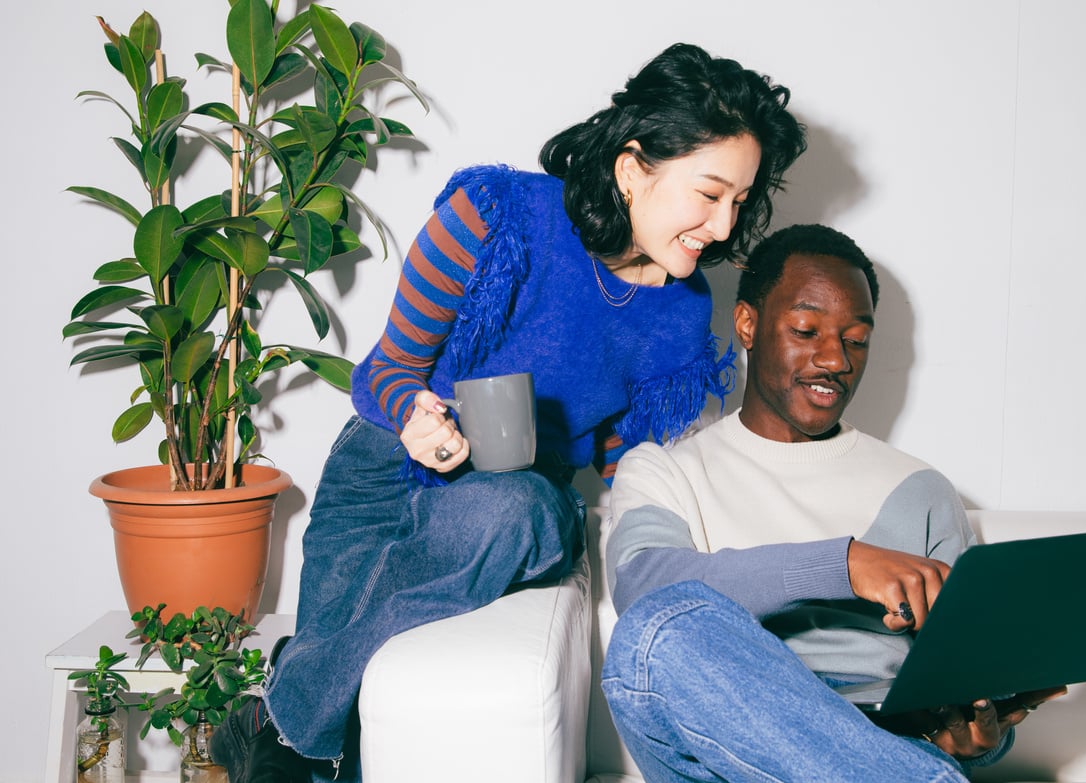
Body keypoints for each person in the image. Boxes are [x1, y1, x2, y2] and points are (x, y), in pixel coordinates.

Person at [209, 42, 807, 782]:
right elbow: (385, 372)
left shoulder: (683, 313)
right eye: (710, 193)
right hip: (381, 475)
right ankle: (287, 712)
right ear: (631, 168)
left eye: (740, 201)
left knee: (511, 510)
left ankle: (276, 708)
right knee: (349, 740)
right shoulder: (495, 218)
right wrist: (414, 418)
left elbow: (625, 463)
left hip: (509, 500)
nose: (723, 226)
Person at [601, 224, 1065, 782]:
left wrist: (975, 738)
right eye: (806, 329)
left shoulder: (920, 489)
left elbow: (963, 674)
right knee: (658, 630)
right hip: (726, 759)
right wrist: (843, 564)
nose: (834, 359)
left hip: (889, 747)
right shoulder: (664, 470)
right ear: (747, 324)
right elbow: (646, 592)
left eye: (856, 339)